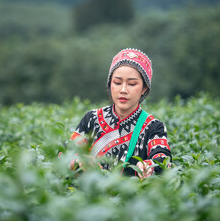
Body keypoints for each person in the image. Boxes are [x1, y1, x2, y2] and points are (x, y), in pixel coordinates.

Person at [67, 48, 171, 179]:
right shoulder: (91, 119)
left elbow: (163, 160)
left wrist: (149, 167)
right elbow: (67, 153)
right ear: (110, 84)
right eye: (117, 82)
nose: (123, 90)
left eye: (132, 84)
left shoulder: (153, 127)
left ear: (144, 88)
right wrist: (78, 160)